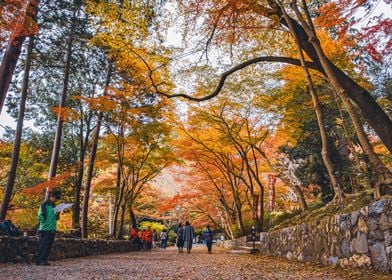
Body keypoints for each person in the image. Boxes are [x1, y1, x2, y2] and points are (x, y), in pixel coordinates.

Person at [35, 190, 61, 266]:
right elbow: (40, 216)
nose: (56, 200)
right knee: (43, 245)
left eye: (58, 199)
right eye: (56, 198)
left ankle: (44, 260)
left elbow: (56, 218)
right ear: (51, 196)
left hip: (52, 229)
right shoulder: (44, 205)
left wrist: (58, 214)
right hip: (45, 229)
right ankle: (39, 260)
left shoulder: (54, 206)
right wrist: (45, 222)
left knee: (48, 246)